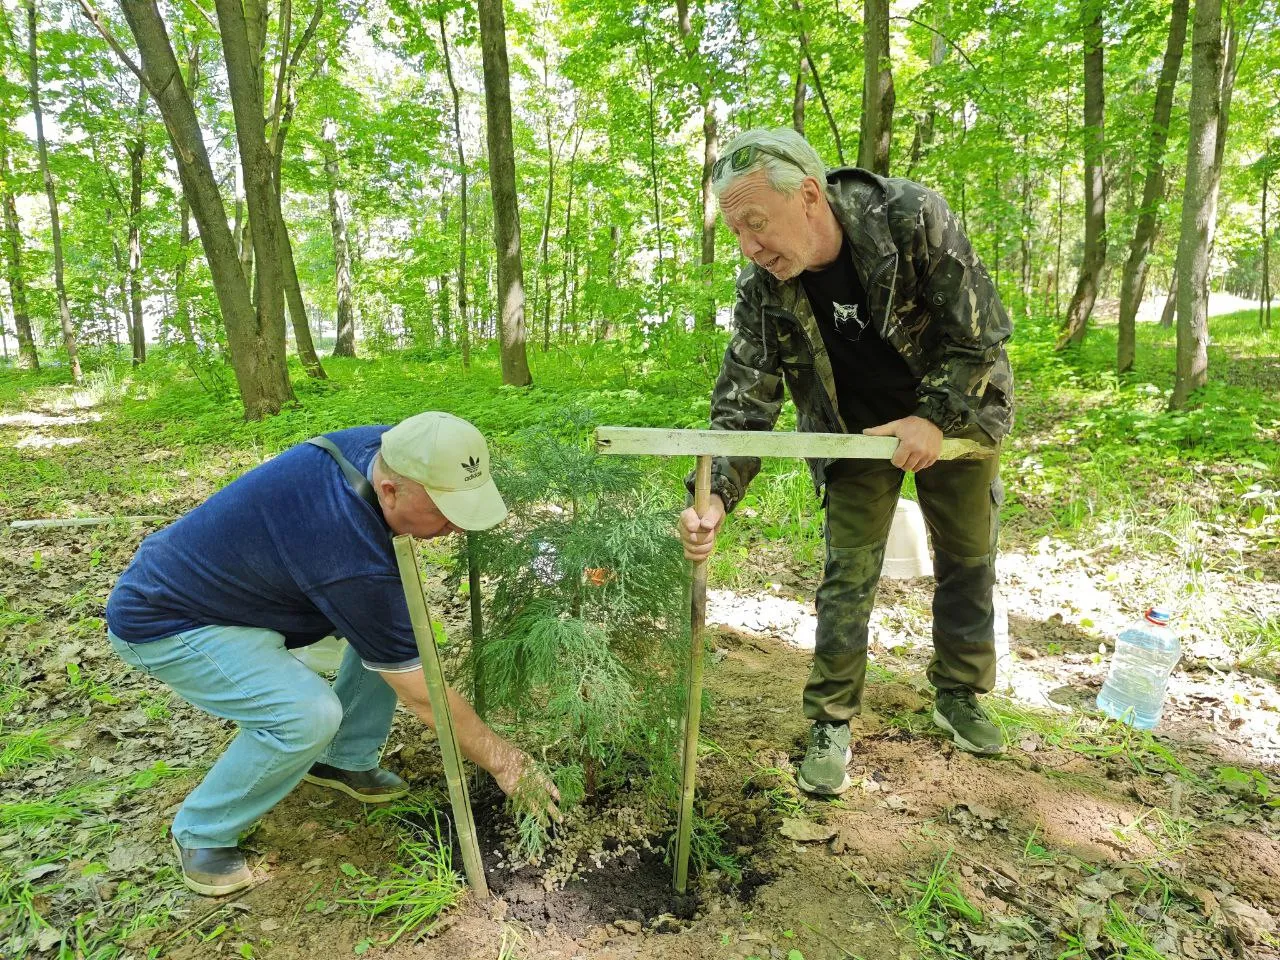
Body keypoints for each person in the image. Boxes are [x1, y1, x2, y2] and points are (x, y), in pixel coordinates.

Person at [677, 128, 1014, 795]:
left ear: (807, 196)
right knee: (848, 572)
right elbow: (744, 407)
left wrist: (933, 420)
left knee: (968, 558)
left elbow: (979, 335)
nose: (749, 247)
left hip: (959, 417)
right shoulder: (762, 293)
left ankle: (960, 695)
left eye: (755, 225)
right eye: (736, 232)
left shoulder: (912, 217)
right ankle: (830, 720)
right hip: (854, 434)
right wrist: (711, 495)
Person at [106, 412, 557, 895]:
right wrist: (506, 762)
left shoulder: (388, 449)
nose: (457, 528)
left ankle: (341, 758)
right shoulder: (343, 542)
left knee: (397, 639)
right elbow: (422, 696)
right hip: (172, 619)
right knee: (306, 715)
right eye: (446, 512)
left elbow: (394, 643)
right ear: (390, 492)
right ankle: (202, 831)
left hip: (259, 594)